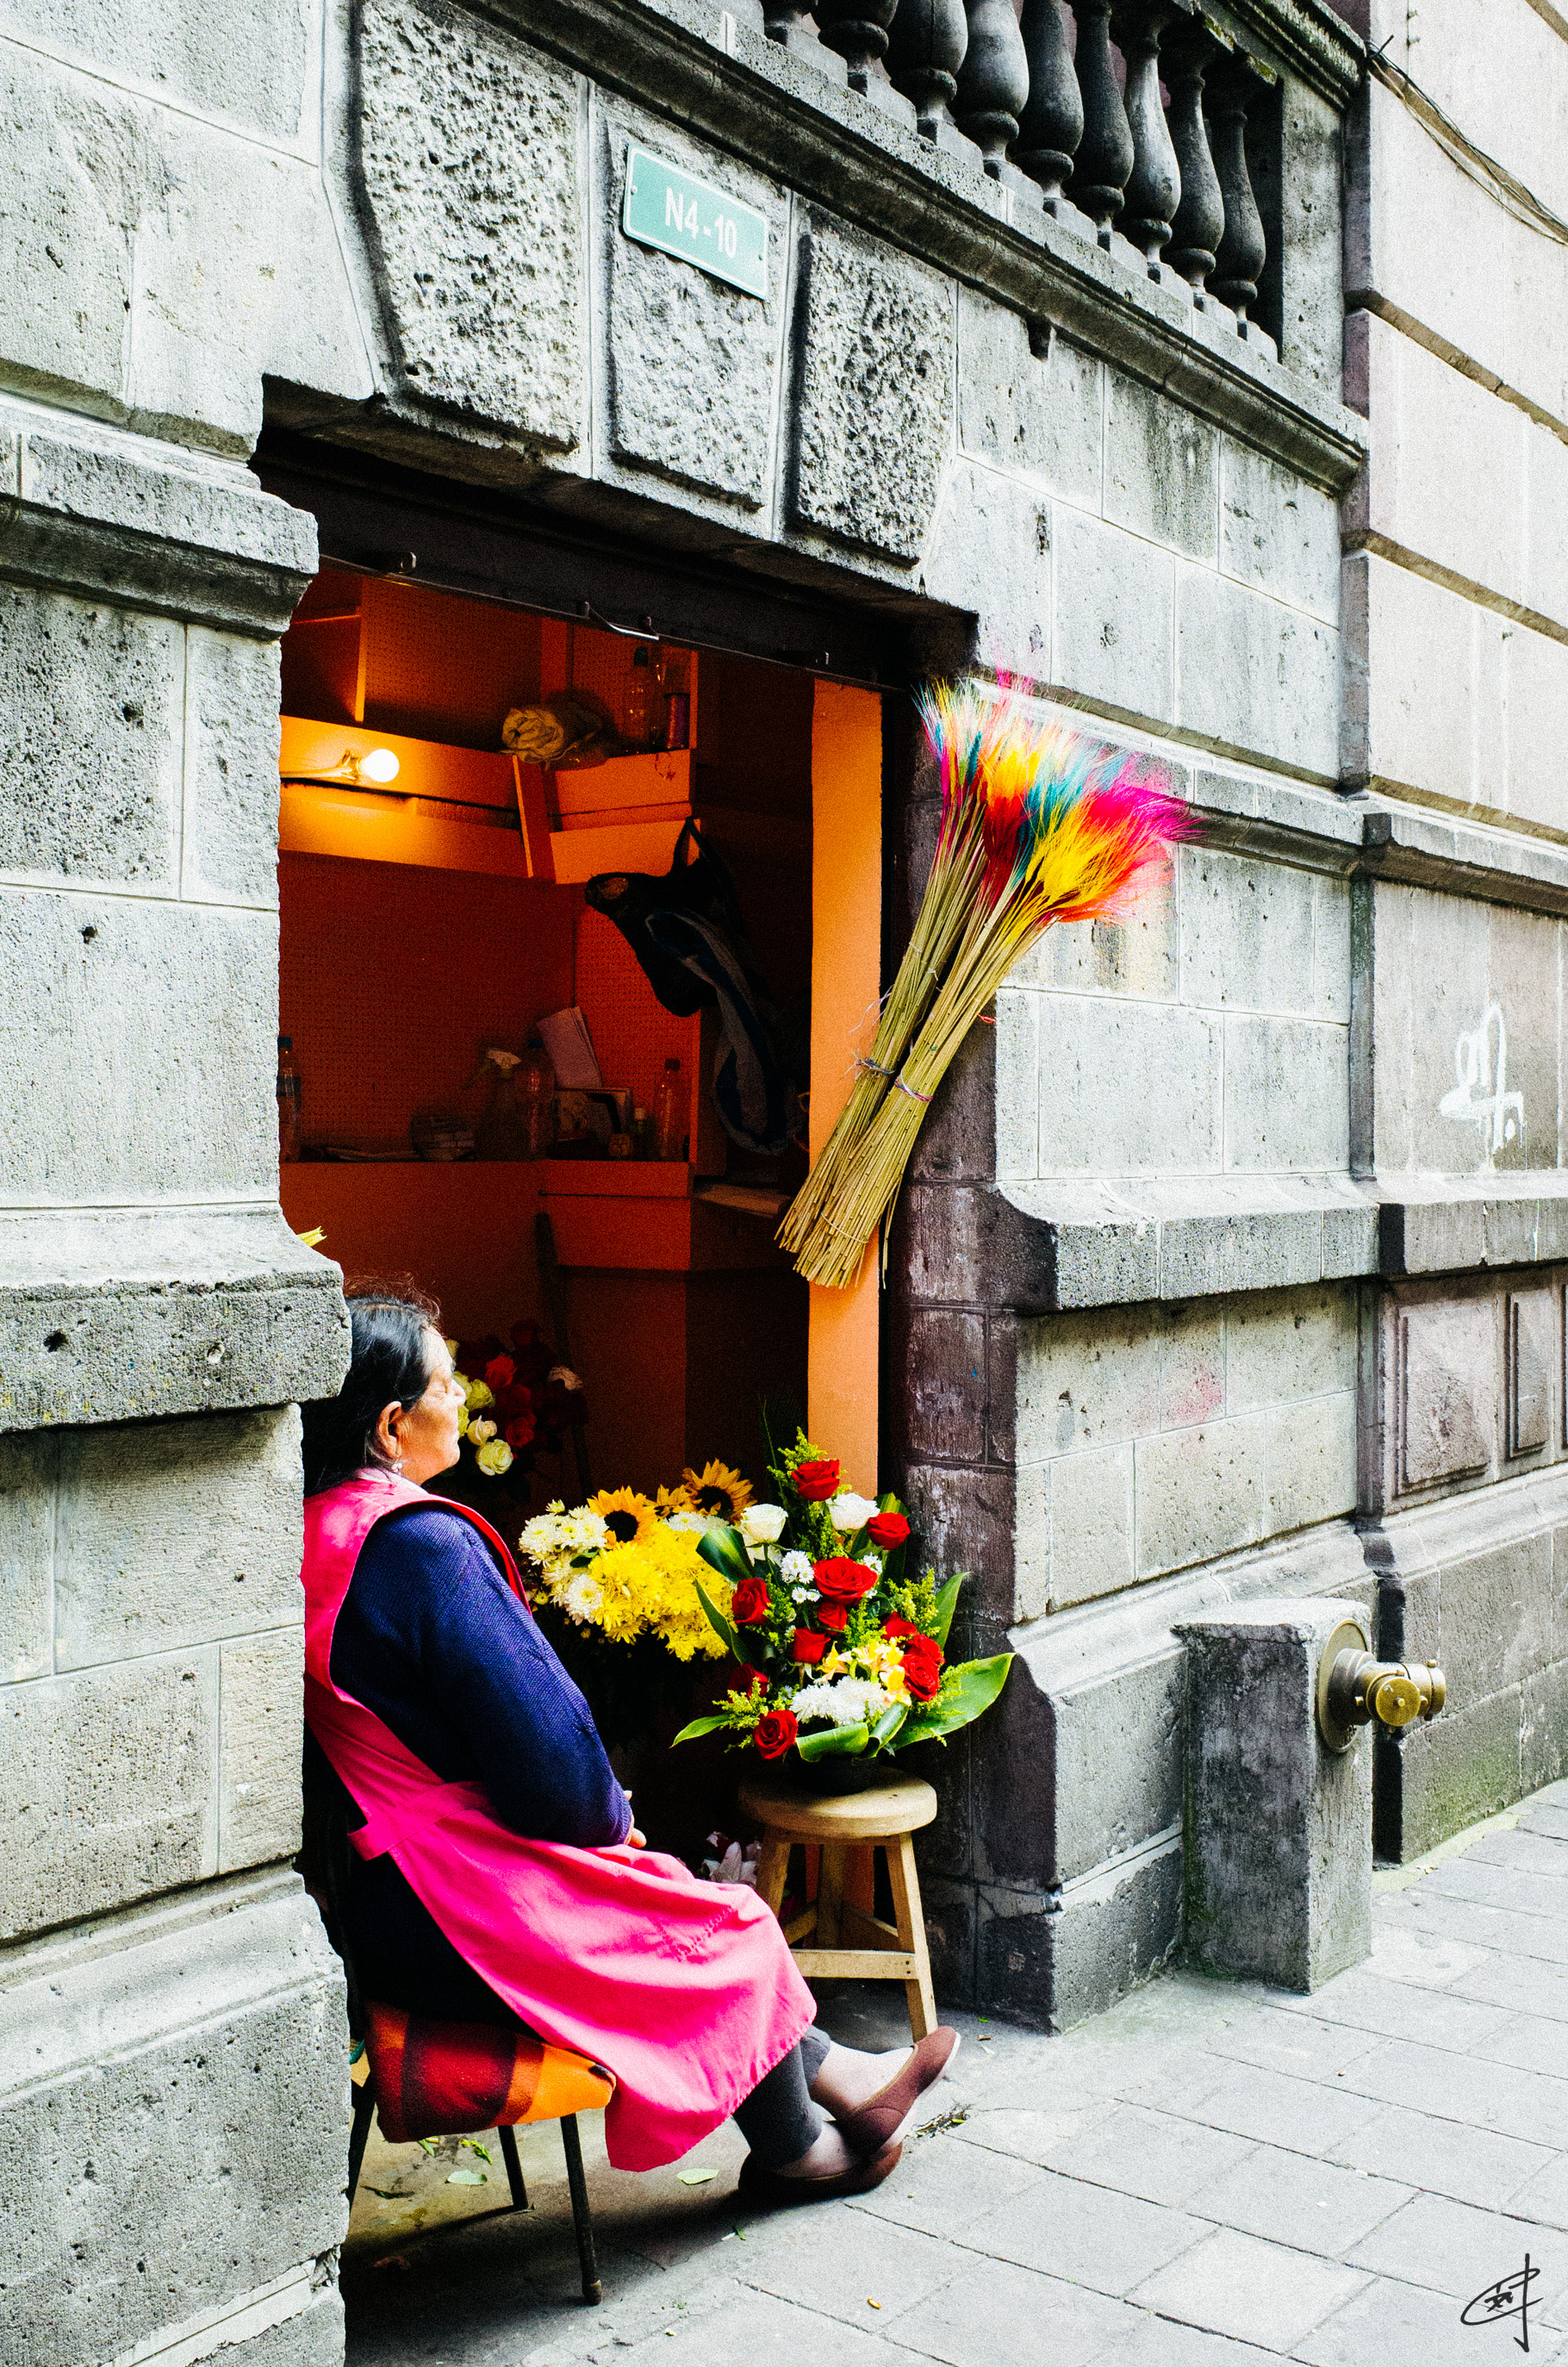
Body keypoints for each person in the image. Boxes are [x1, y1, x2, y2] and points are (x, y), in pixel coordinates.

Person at [300, 1286, 958, 2203]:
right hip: (456, 1903)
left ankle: (841, 2076)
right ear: (391, 1423)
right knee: (714, 1919)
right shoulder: (420, 1547)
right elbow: (547, 1754)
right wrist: (609, 1815)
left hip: (384, 1902)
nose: (464, 1399)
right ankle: (794, 2153)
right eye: (447, 1383)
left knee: (685, 1903)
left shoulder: (309, 1528)